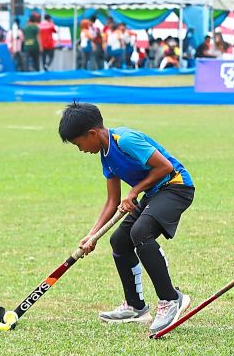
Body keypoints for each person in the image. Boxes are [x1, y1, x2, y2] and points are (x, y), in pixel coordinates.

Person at [57, 102, 194, 334]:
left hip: (176, 187)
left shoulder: (125, 140)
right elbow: (112, 201)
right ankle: (135, 307)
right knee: (120, 241)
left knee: (141, 232)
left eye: (79, 144)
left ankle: (171, 299)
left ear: (92, 133)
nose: (80, 149)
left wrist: (134, 191)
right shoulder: (106, 157)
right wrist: (92, 235)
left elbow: (164, 167)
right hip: (153, 193)